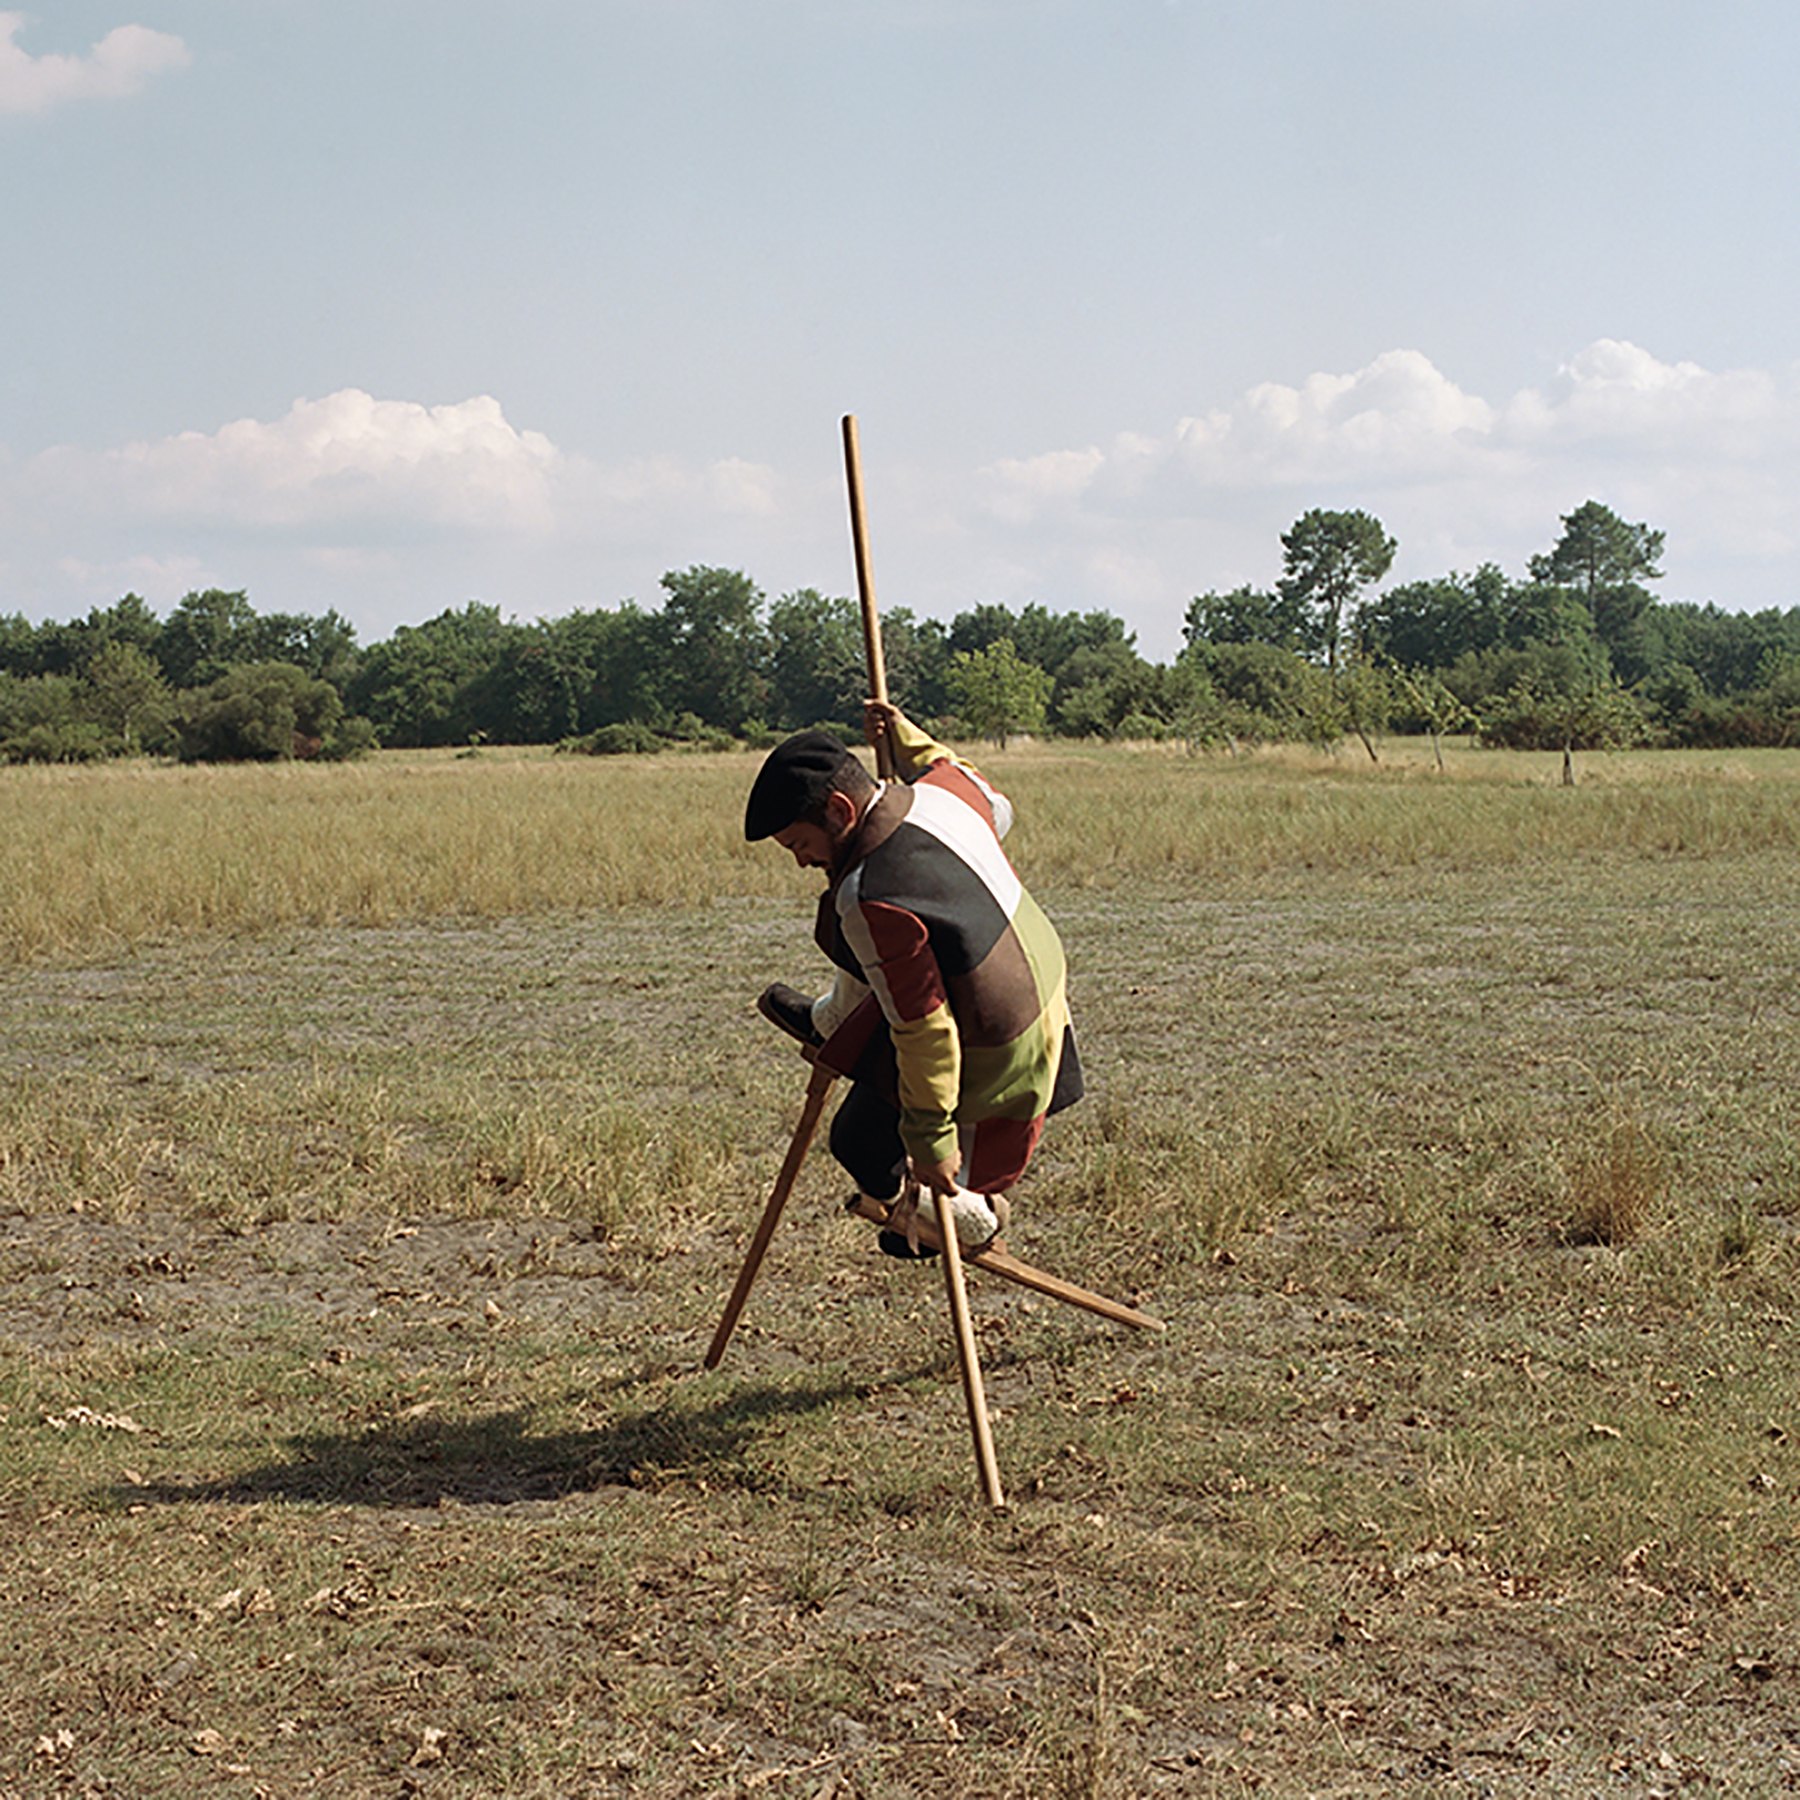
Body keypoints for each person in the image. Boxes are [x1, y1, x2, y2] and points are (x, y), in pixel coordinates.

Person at [743, 698, 1081, 1257]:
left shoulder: (872, 896)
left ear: (840, 810)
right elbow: (970, 781)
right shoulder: (945, 793)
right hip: (1045, 1003)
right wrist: (904, 735)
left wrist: (930, 1138)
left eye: (800, 844)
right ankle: (833, 1021)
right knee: (861, 946)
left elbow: (925, 1029)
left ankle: (969, 1218)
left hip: (1001, 1044)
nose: (802, 861)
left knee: (857, 1139)